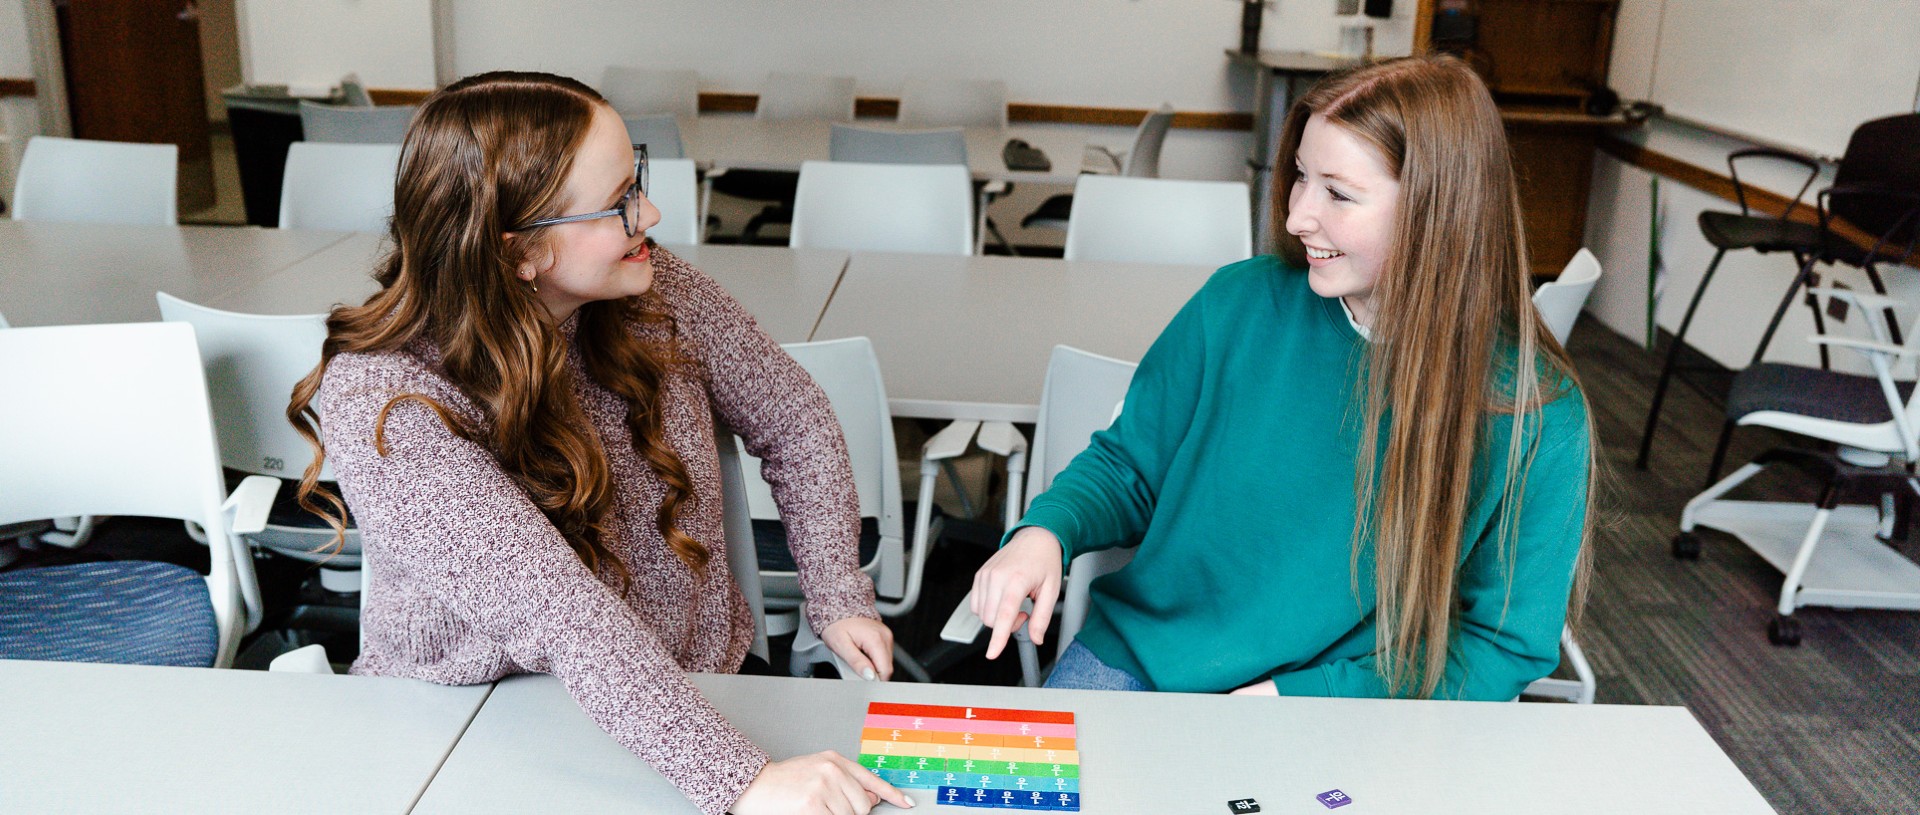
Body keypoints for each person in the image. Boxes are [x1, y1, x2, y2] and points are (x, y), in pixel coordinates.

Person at [286, 71, 912, 815]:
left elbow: (794, 415)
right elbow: (561, 611)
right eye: (618, 201)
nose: (649, 210)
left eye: (635, 177)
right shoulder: (386, 399)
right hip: (478, 721)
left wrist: (837, 592)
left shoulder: (650, 284)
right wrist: (744, 781)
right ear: (520, 251)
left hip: (688, 691)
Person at [970, 55, 1594, 701]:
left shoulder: (1536, 411)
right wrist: (1046, 530)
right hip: (1148, 656)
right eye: (1300, 176)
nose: (1297, 215)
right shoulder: (1237, 304)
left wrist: (1305, 697)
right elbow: (1129, 465)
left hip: (1359, 701)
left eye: (1338, 193)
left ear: (1440, 213)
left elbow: (1501, 644)